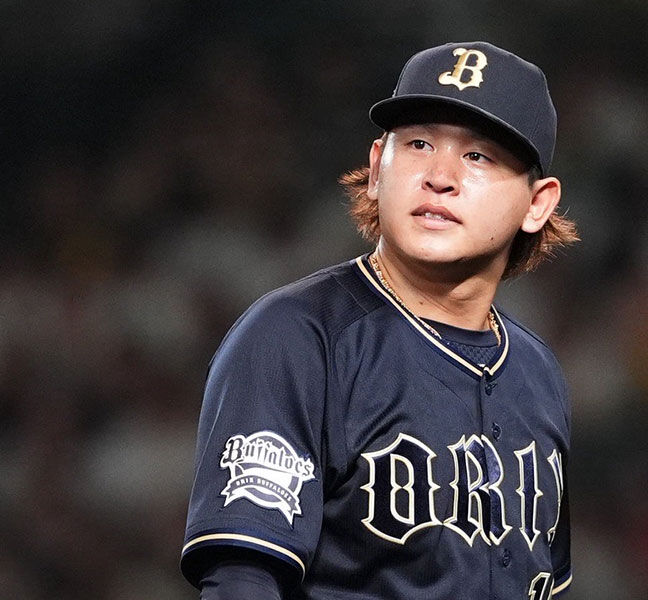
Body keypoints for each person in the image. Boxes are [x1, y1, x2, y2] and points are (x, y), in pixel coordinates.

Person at [180, 41, 578, 599]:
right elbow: (243, 579)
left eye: (478, 156)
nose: (439, 176)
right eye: (418, 144)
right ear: (376, 167)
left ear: (538, 204)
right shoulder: (296, 337)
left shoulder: (539, 374)